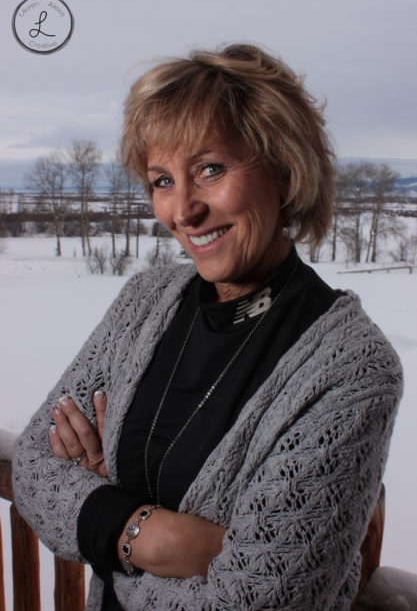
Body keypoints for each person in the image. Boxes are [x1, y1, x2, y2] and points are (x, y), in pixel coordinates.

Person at [12, 44, 402, 611]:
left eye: (210, 169)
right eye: (161, 180)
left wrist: (104, 513)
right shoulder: (145, 301)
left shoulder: (353, 367)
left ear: (284, 165)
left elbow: (264, 600)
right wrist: (165, 538)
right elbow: (33, 466)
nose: (182, 210)